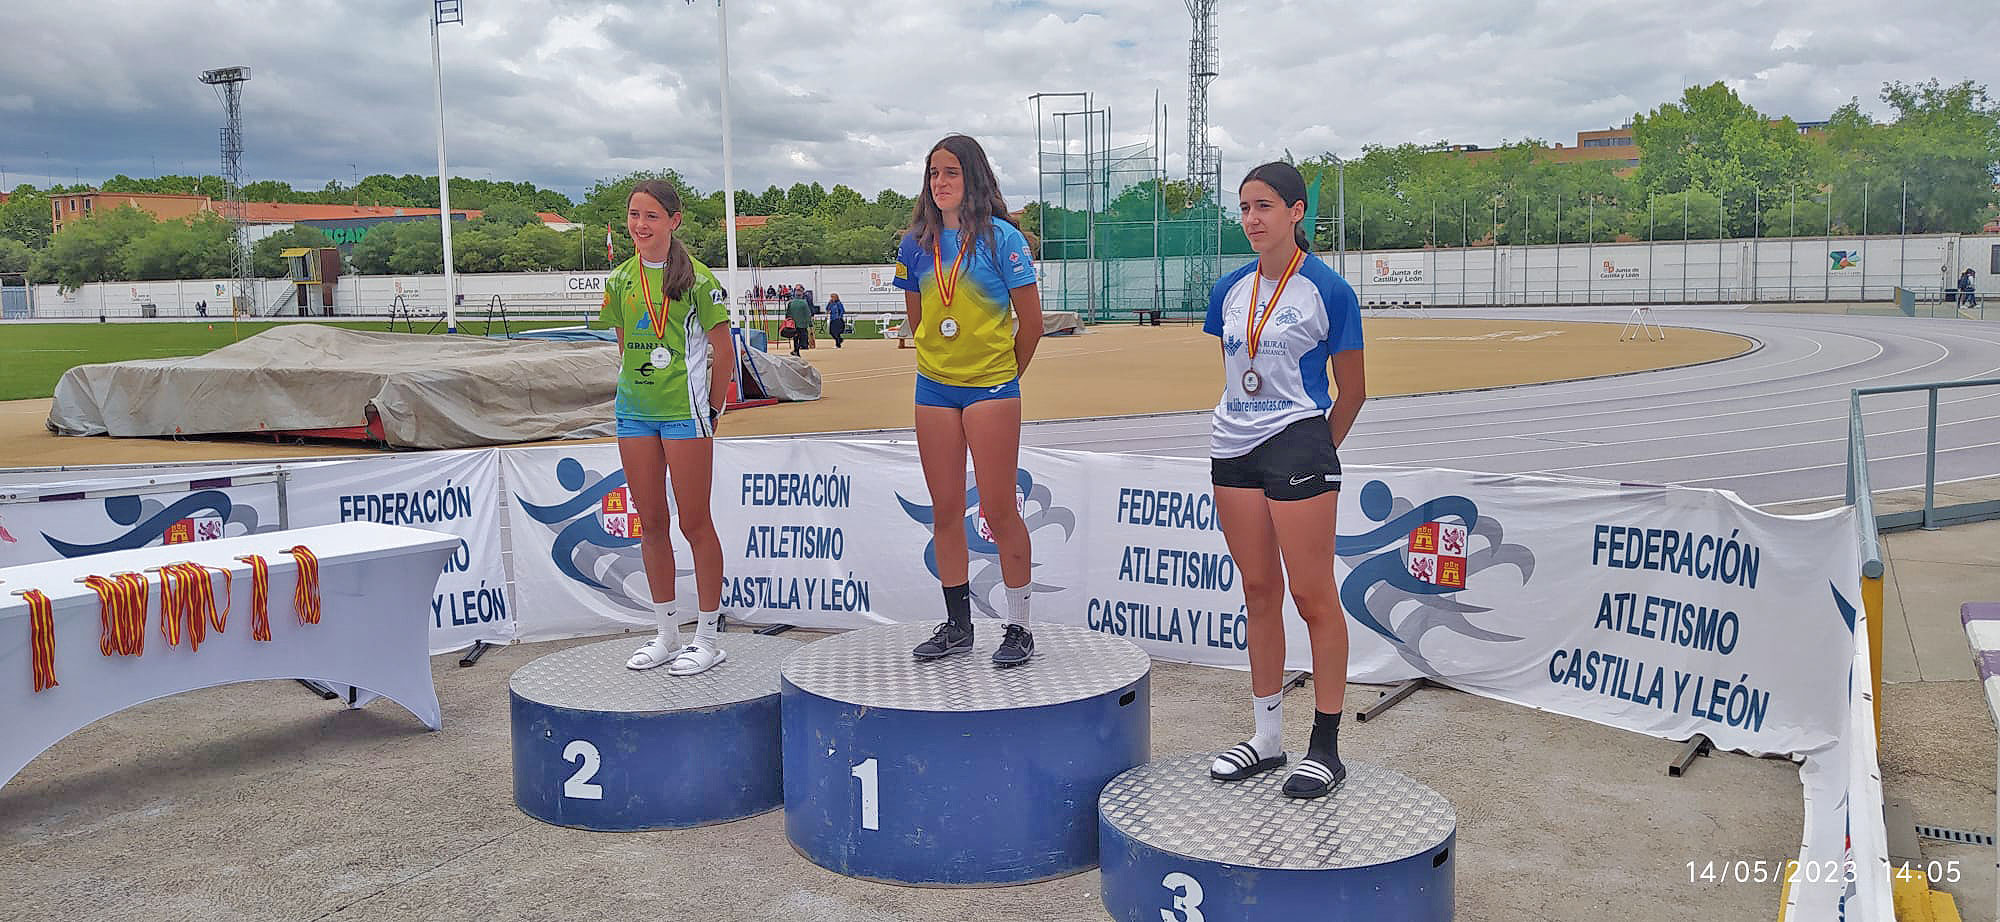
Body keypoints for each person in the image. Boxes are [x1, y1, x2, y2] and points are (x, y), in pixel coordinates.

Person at [1203, 161, 1366, 800]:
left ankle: (1324, 744)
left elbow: (1351, 391)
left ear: (1297, 212)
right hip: (1234, 443)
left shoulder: (1328, 290)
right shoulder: (1229, 290)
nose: (1252, 219)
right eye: (1244, 207)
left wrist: (1317, 451)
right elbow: (1236, 369)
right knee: (1259, 588)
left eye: (1265, 206)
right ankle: (1267, 737)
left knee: (1312, 594)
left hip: (1298, 439)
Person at [895, 134, 1043, 667]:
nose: (940, 183)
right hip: (933, 386)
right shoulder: (914, 244)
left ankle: (1019, 626)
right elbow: (918, 320)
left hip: (991, 387)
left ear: (973, 178)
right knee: (945, 511)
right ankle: (958, 625)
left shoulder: (1003, 239)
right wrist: (942, 359)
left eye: (951, 173)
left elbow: (1033, 324)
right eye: (933, 174)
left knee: (1000, 509)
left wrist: (1003, 377)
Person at [596, 179, 734, 676]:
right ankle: (665, 633)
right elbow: (623, 343)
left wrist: (712, 410)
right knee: (650, 523)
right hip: (634, 413)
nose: (640, 225)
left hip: (686, 413)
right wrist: (638, 390)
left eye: (651, 216)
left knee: (694, 523)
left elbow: (725, 351)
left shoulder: (698, 280)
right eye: (634, 215)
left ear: (674, 221)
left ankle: (708, 636)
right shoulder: (619, 280)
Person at [786, 289, 812, 355]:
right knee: (802, 337)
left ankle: (796, 350)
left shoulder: (791, 303)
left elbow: (787, 314)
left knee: (795, 338)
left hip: (793, 324)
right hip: (803, 324)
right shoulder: (804, 303)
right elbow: (808, 314)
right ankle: (801, 346)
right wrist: (810, 323)